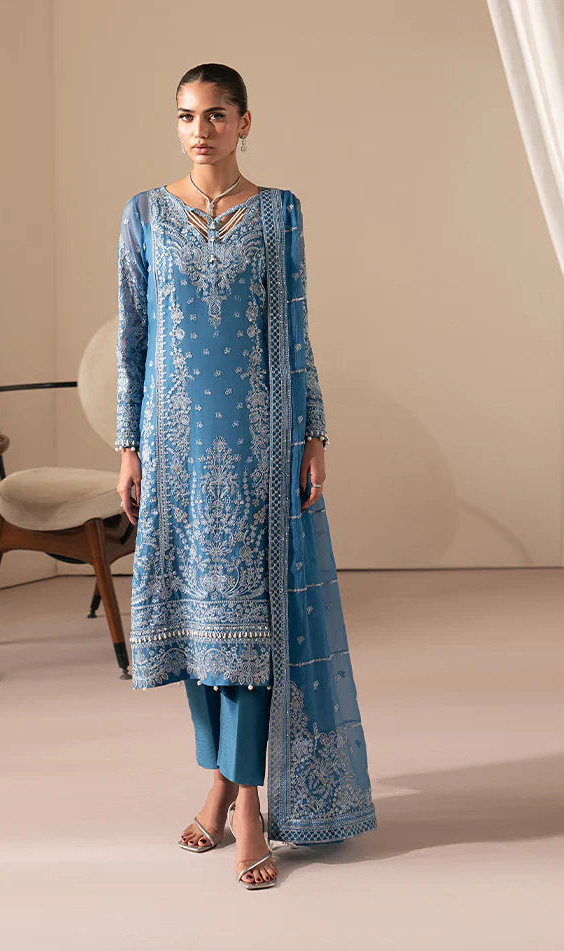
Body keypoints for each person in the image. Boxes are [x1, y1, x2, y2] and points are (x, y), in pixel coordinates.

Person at [115, 63, 376, 891]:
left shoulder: (278, 212)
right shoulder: (143, 214)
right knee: (199, 630)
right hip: (174, 449)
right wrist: (128, 446)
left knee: (250, 632)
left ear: (244, 123)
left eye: (216, 115)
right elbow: (132, 338)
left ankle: (249, 807)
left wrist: (313, 432)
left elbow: (296, 331)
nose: (199, 130)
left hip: (257, 446)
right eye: (186, 116)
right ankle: (220, 783)